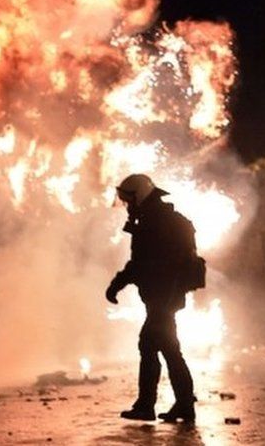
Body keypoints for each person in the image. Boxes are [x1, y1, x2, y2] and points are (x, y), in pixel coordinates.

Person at [106, 174, 198, 423]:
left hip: (162, 298)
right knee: (167, 349)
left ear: (140, 196)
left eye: (129, 200)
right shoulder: (158, 219)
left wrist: (117, 285)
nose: (127, 206)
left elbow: (140, 264)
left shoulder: (154, 223)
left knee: (151, 346)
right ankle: (183, 405)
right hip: (165, 297)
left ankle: (148, 406)